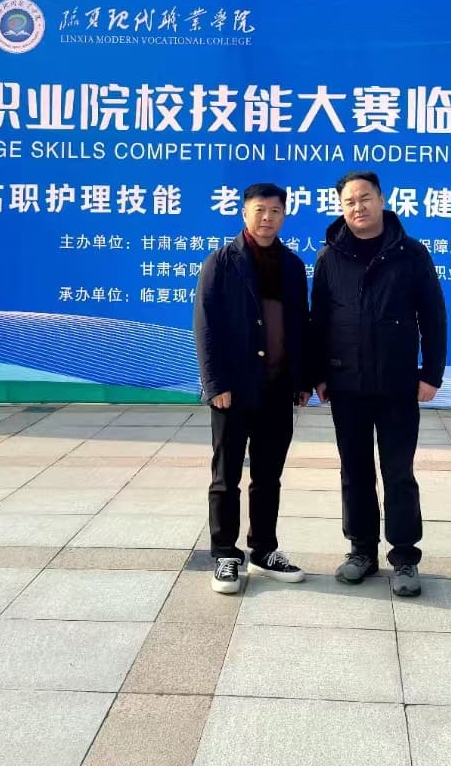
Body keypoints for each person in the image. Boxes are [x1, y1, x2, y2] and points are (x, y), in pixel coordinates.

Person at [310, 170, 447, 598]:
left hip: (397, 383)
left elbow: (433, 316)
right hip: (346, 384)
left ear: (382, 199)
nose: (358, 207)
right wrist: (318, 374)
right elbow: (319, 320)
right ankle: (361, 551)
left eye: (365, 198)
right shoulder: (329, 256)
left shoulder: (411, 253)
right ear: (341, 208)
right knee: (354, 471)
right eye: (349, 202)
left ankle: (404, 556)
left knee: (398, 471)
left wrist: (431, 373)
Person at [193, 182, 312, 594]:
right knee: (226, 476)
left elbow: (301, 326)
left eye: (275, 211)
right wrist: (215, 383)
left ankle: (263, 549)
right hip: (234, 390)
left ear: (284, 216)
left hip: (277, 389)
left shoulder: (292, 266)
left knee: (268, 476)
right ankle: (225, 554)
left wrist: (302, 379)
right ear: (244, 213)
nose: (267, 218)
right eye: (259, 210)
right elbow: (205, 327)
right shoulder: (221, 263)